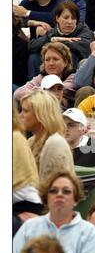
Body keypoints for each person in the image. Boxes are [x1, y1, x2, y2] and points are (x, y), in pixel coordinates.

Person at [13, 171, 95, 253]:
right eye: (53, 191)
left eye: (66, 191)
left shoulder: (88, 231)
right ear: (46, 198)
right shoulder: (29, 227)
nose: (59, 194)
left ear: (75, 200)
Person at [28, 0, 94, 75]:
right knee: (34, 57)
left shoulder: (84, 31)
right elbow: (31, 46)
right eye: (66, 18)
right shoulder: (53, 32)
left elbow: (85, 47)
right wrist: (52, 39)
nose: (70, 22)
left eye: (73, 18)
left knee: (71, 54)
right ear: (57, 18)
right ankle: (36, 83)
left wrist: (58, 42)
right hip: (48, 72)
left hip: (74, 74)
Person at [62, 107, 95, 194]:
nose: (66, 128)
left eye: (71, 125)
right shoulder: (56, 147)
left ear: (83, 128)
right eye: (63, 124)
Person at [13, 101, 42, 236]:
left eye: (26, 111)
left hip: (25, 209)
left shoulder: (15, 138)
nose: (22, 115)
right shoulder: (29, 141)